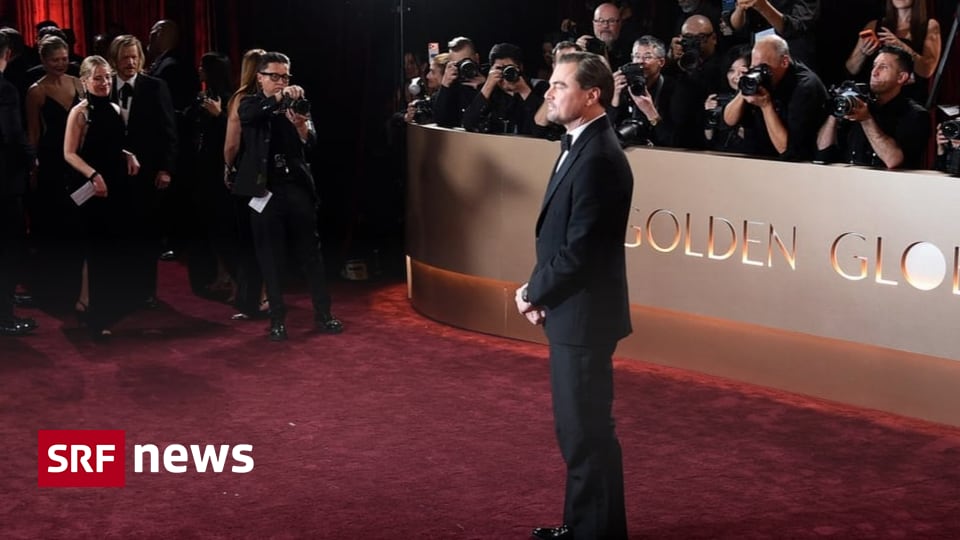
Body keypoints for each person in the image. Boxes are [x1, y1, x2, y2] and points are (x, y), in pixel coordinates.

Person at [515, 50, 631, 540]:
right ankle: (584, 526)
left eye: (560, 85)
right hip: (574, 310)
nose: (548, 92)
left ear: (592, 95)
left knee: (585, 431)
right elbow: (561, 238)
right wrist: (544, 292)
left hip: (585, 316)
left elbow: (580, 251)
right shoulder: (583, 145)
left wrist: (532, 291)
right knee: (578, 429)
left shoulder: (599, 157)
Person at [234, 51, 343, 341]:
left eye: (285, 77)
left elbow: (311, 143)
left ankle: (324, 314)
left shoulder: (296, 104)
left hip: (295, 186)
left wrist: (301, 125)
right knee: (270, 257)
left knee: (311, 254)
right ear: (260, 78)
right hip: (264, 188)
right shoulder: (249, 103)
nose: (281, 82)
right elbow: (251, 116)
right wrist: (279, 99)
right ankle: (277, 320)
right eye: (275, 76)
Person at [63, 55, 141, 338]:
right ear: (84, 81)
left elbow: (113, 145)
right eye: (97, 78)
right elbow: (69, 153)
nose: (104, 82)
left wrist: (128, 154)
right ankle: (94, 314)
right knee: (95, 250)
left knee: (111, 249)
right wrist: (93, 176)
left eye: (107, 77)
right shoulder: (80, 112)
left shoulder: (115, 108)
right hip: (90, 187)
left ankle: (94, 304)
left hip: (115, 186)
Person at [108, 34, 177, 310]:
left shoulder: (155, 86)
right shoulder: (104, 86)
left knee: (146, 233)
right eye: (125, 57)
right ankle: (121, 290)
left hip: (148, 173)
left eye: (135, 57)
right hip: (113, 173)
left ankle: (146, 292)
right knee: (118, 232)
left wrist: (166, 169)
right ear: (115, 60)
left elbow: (169, 131)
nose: (131, 62)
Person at [23, 35, 85, 307]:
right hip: (51, 162)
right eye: (54, 60)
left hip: (78, 160)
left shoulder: (78, 83)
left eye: (64, 59)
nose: (61, 64)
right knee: (54, 224)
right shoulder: (36, 91)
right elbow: (33, 134)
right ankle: (54, 289)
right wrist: (33, 168)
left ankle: (78, 286)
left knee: (77, 224)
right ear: (43, 60)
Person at [816, 46, 929, 170]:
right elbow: (823, 150)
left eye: (883, 67)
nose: (874, 72)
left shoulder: (915, 115)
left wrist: (866, 120)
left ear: (901, 77)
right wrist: (835, 110)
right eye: (874, 66)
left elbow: (893, 161)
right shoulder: (859, 103)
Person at [721, 34, 826, 161]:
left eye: (763, 68)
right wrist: (745, 86)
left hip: (797, 165)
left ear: (784, 62)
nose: (758, 73)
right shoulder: (758, 78)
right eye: (754, 67)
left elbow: (788, 151)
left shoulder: (805, 87)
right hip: (758, 157)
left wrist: (766, 106)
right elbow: (729, 121)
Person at [224, 48, 267, 321]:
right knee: (266, 239)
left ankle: (251, 298)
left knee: (249, 241)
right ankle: (262, 296)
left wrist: (227, 168)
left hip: (247, 176)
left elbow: (231, 143)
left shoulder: (241, 99)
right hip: (272, 177)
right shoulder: (273, 99)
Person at [0, 30, 37, 336]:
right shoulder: (5, 89)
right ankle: (4, 316)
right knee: (8, 249)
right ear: (7, 54)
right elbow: (11, 133)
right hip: (4, 182)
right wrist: (32, 159)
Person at [844, 0, 941, 105]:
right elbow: (851, 69)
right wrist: (863, 53)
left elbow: (927, 71)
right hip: (875, 99)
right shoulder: (874, 25)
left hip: (910, 100)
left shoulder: (929, 25)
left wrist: (902, 46)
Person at [462, 42, 546, 135]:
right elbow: (468, 124)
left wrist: (524, 91)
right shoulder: (489, 93)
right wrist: (488, 86)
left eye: (509, 68)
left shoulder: (539, 87)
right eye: (499, 68)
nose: (504, 73)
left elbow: (542, 129)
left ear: (520, 68)